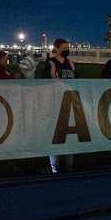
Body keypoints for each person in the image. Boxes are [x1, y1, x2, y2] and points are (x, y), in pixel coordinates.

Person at [42, 38, 77, 173]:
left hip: (69, 104)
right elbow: (43, 84)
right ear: (56, 49)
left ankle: (69, 166)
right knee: (55, 137)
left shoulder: (71, 64)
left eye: (67, 47)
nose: (66, 50)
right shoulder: (50, 64)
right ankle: (55, 168)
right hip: (54, 105)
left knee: (70, 136)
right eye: (64, 47)